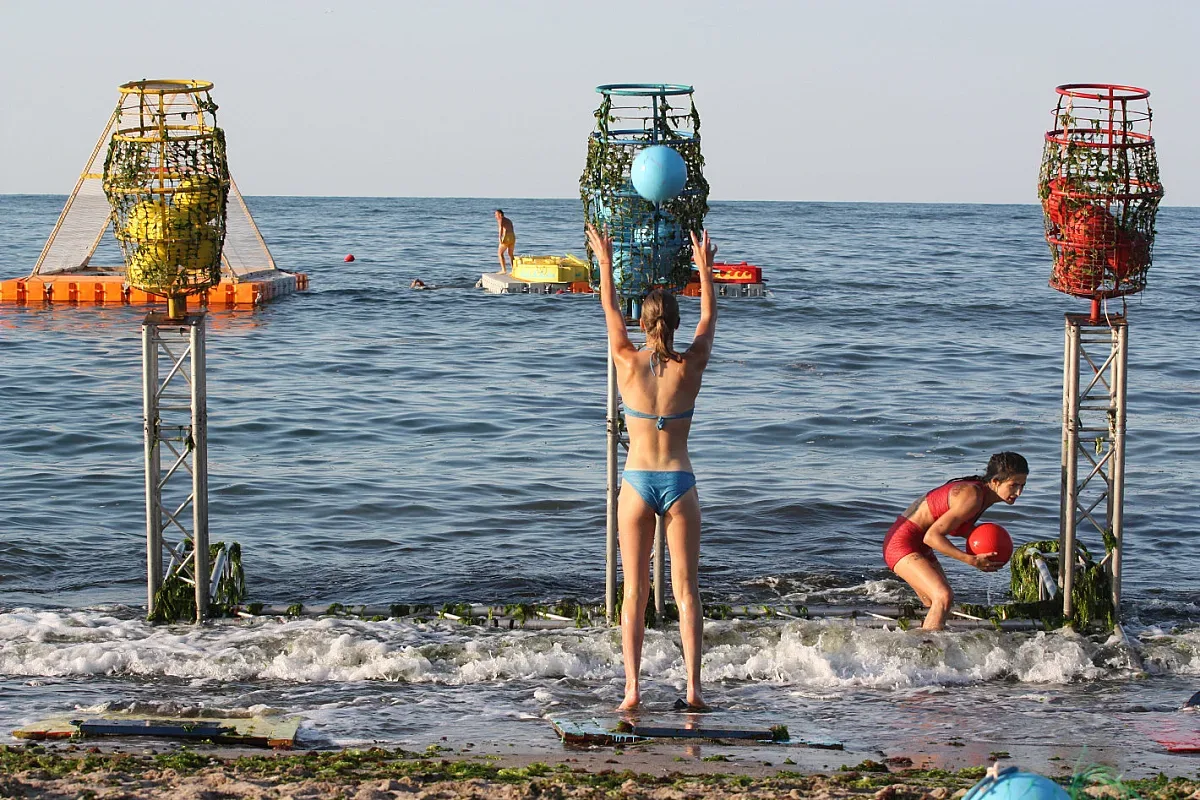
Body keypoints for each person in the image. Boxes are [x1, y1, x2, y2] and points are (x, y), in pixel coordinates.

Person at [586, 223, 717, 711]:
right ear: (676, 324)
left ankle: (632, 690)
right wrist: (703, 266)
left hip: (637, 484)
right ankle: (694, 689)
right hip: (680, 482)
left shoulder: (624, 360)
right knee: (687, 590)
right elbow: (709, 318)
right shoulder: (692, 365)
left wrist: (605, 258)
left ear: (644, 324)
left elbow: (608, 308)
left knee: (634, 592)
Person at [884, 452, 1029, 630]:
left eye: (1023, 485)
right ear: (995, 481)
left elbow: (950, 527)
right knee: (944, 597)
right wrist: (971, 560)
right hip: (901, 543)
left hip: (919, 546)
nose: (1019, 492)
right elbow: (932, 536)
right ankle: (927, 649)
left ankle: (916, 643)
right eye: (1013, 485)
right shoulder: (973, 496)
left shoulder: (982, 495)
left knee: (933, 603)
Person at [495, 209, 516, 273]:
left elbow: (501, 228)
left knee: (500, 253)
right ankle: (514, 270)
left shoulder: (501, 219)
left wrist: (500, 237)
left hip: (506, 237)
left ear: (500, 214)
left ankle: (504, 270)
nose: (495, 216)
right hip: (512, 237)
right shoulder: (509, 220)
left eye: (496, 214)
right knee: (511, 254)